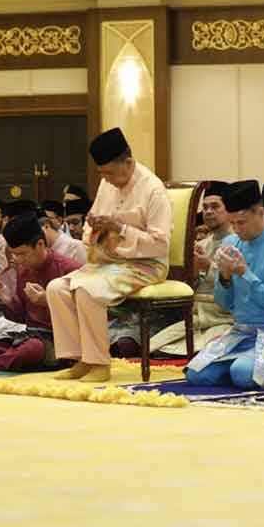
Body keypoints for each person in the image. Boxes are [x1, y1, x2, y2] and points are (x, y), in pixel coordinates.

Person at [47, 127, 171, 383]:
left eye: (111, 173)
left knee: (87, 290)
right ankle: (80, 359)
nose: (107, 179)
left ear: (128, 162)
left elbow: (161, 245)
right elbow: (93, 225)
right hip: (107, 262)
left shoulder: (153, 190)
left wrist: (119, 228)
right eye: (102, 173)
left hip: (146, 265)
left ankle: (99, 363)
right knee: (56, 288)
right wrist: (93, 226)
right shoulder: (107, 183)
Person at [185, 180, 264, 389]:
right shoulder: (231, 244)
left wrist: (244, 273)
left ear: (260, 213)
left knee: (241, 374)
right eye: (233, 223)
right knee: (197, 375)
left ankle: (263, 368)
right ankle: (244, 366)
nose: (237, 230)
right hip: (240, 332)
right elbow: (223, 304)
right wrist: (225, 277)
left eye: (242, 222)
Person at [0, 213, 82, 371]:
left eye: (22, 254)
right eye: (14, 254)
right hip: (27, 336)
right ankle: (11, 359)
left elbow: (84, 313)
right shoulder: (23, 269)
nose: (18, 259)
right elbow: (20, 317)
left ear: (40, 244)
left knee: (33, 348)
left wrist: (47, 300)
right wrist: (7, 300)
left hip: (57, 341)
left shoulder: (69, 268)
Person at [151, 180, 235, 355]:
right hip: (198, 316)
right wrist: (194, 271)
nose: (209, 212)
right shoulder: (202, 244)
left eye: (215, 206)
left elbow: (238, 286)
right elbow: (192, 287)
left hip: (224, 318)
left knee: (204, 351)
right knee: (153, 347)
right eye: (205, 208)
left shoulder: (239, 243)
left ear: (229, 211)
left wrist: (209, 266)